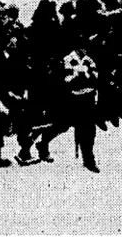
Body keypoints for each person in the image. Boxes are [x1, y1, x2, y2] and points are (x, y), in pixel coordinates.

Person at [36, 43, 101, 173]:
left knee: (88, 130)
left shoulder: (88, 59)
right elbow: (64, 80)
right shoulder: (68, 59)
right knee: (60, 126)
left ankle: (89, 160)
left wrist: (88, 77)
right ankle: (43, 144)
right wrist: (78, 76)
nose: (85, 49)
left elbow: (95, 76)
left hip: (87, 99)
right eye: (83, 46)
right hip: (72, 100)